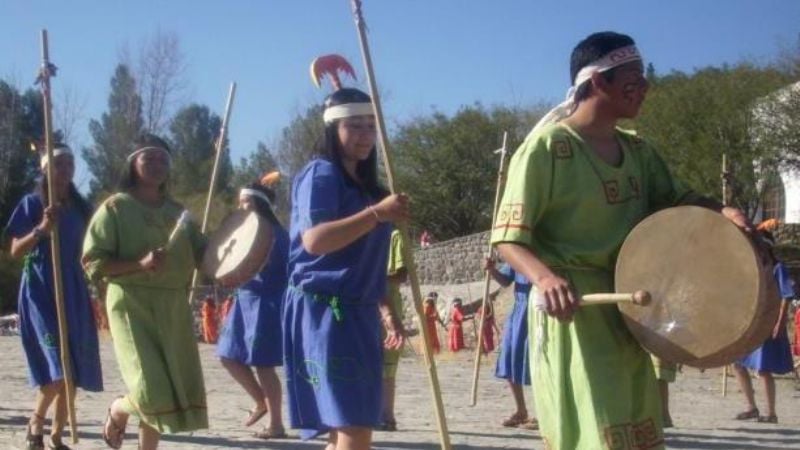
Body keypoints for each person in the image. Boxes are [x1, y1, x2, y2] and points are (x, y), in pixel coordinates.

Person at [491, 31, 751, 449]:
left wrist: (723, 212)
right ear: (598, 82)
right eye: (633, 78)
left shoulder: (639, 152)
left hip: (631, 304)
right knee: (595, 433)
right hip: (573, 311)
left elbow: (680, 201)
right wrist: (544, 279)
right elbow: (507, 238)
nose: (645, 87)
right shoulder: (546, 148)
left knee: (638, 432)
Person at [282, 86, 409, 450]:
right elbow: (315, 241)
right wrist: (377, 215)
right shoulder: (320, 174)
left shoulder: (370, 189)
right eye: (355, 126)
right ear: (332, 130)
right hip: (324, 309)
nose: (365, 135)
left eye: (371, 126)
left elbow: (364, 262)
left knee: (348, 424)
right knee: (354, 423)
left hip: (360, 311)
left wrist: (386, 310)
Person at [82, 134, 208, 450]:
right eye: (148, 158)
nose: (156, 165)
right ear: (133, 164)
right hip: (130, 301)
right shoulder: (115, 208)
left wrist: (238, 254)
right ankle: (118, 408)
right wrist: (138, 263)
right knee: (149, 386)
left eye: (162, 159)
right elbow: (93, 262)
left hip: (172, 305)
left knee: (167, 384)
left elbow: (206, 255)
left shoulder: (179, 214)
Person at [6, 144, 102, 450]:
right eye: (59, 163)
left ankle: (57, 437)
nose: (66, 168)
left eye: (70, 163)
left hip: (72, 288)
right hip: (40, 288)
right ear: (46, 168)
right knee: (57, 367)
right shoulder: (32, 203)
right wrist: (42, 229)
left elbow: (90, 251)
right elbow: (15, 250)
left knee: (71, 371)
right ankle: (36, 421)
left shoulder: (79, 209)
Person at [217, 178, 289, 439]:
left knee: (263, 364)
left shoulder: (274, 233)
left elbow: (271, 268)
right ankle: (261, 401)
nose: (241, 207)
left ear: (259, 203)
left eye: (245, 201)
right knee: (227, 355)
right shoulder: (247, 232)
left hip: (266, 302)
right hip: (244, 300)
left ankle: (277, 425)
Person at [733, 231, 795, 424]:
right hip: (753, 323)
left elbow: (787, 295)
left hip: (769, 324)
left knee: (763, 369)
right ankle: (751, 407)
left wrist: (780, 322)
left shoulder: (778, 268)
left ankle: (771, 412)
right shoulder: (753, 268)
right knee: (738, 363)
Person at [485, 258, 536, 430]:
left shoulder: (544, 249)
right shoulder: (517, 254)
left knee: (539, 361)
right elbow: (506, 280)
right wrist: (492, 270)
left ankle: (544, 412)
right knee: (509, 357)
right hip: (519, 312)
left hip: (538, 310)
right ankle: (521, 410)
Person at [379, 229, 407, 431]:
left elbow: (401, 274)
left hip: (387, 301)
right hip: (364, 303)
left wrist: (376, 276)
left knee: (388, 366)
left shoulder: (395, 235)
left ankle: (387, 415)